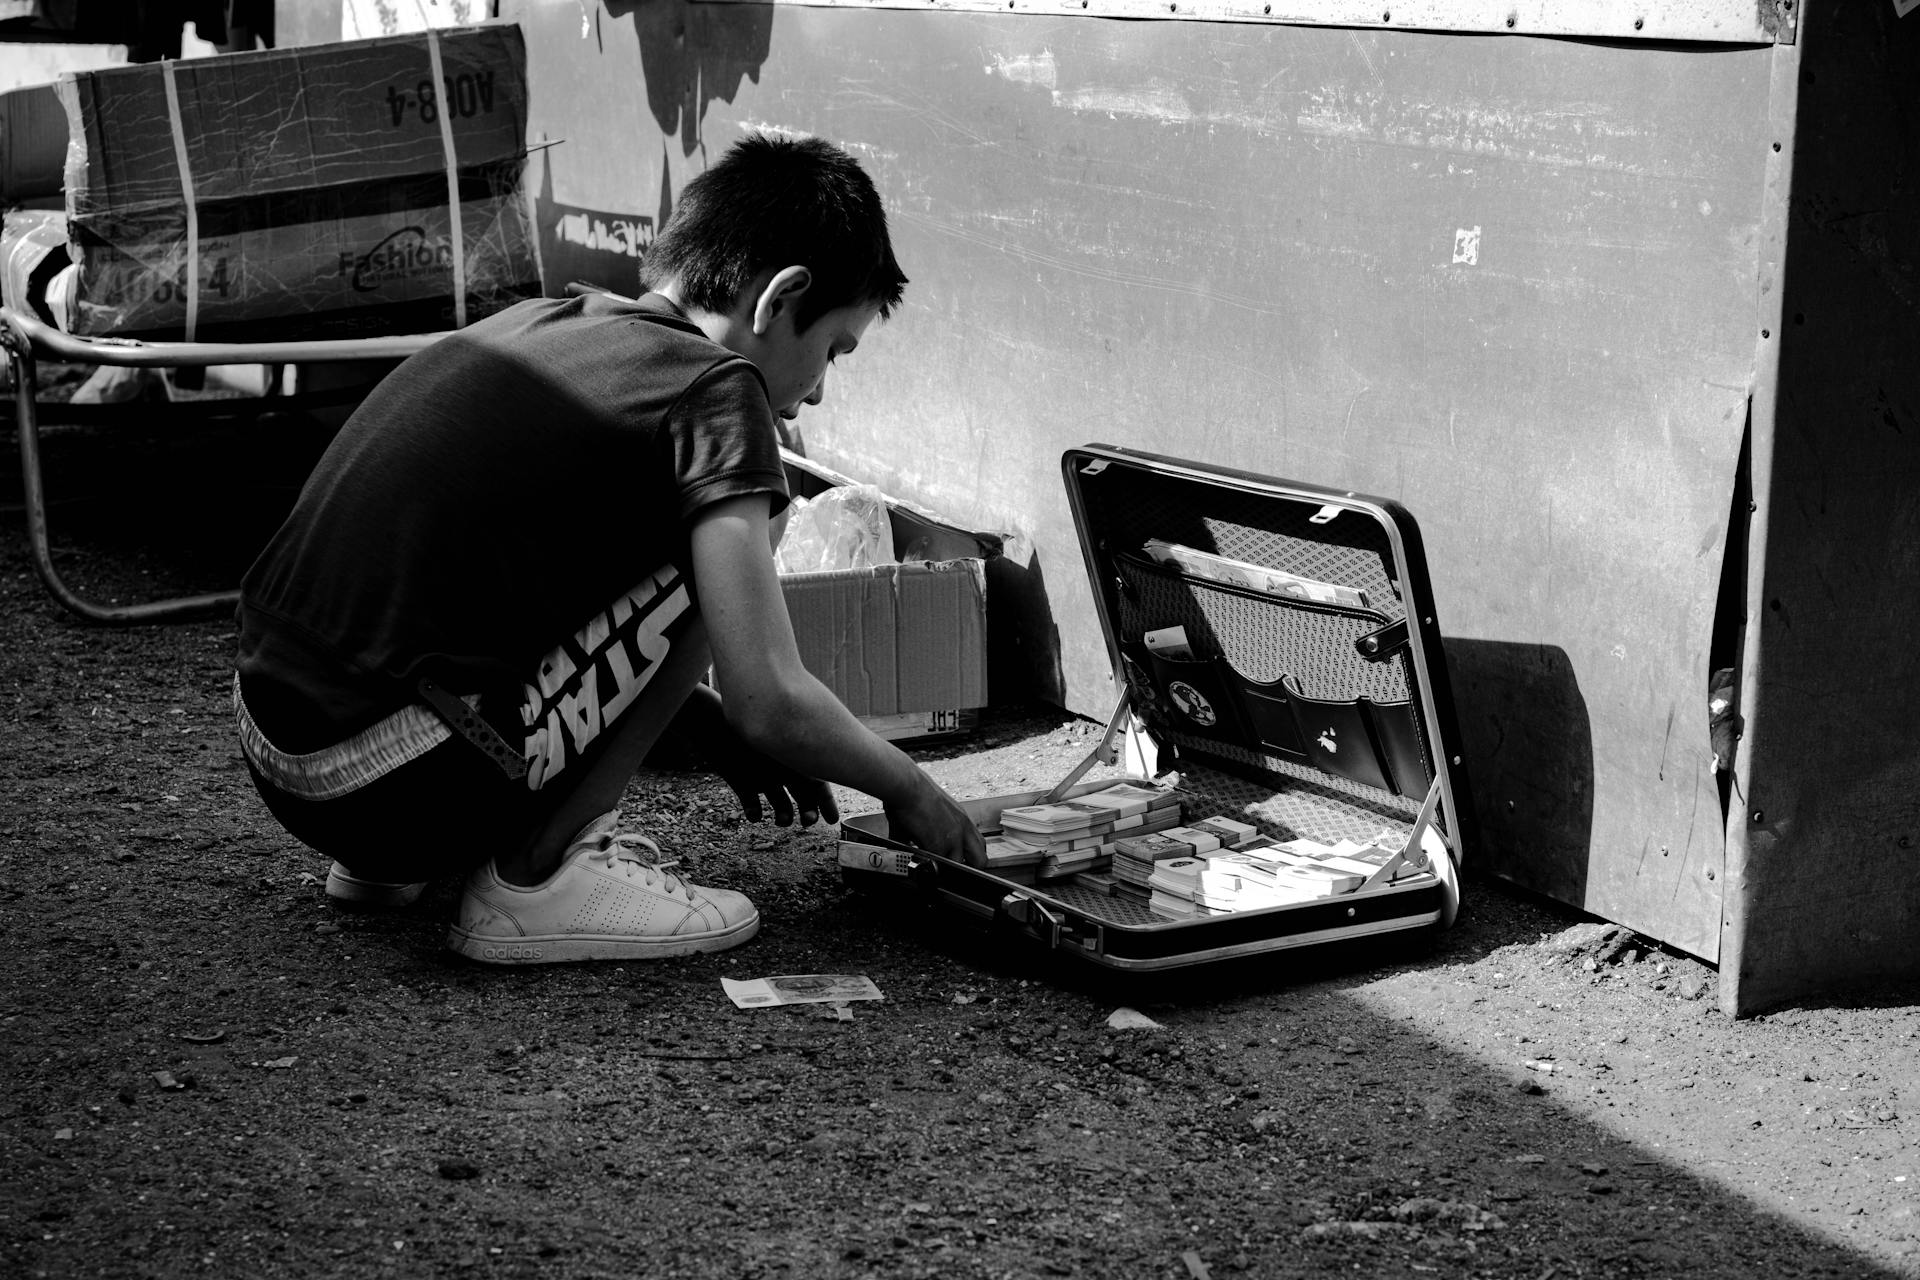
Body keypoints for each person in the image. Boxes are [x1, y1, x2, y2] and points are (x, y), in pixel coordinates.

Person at [232, 132, 985, 965]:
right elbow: (767, 700)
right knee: (741, 525)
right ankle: (539, 876)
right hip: (396, 773)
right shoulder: (716, 389)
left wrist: (682, 711)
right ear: (780, 299)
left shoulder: (551, 320)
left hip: (282, 742)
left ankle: (390, 867)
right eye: (833, 351)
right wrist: (913, 790)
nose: (813, 397)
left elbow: (502, 577)